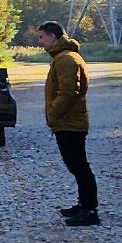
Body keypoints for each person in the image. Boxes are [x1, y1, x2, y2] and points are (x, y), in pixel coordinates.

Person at [36, 20, 97, 226]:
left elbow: (69, 92)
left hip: (70, 123)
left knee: (79, 166)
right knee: (76, 166)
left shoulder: (66, 59)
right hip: (68, 122)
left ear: (53, 37)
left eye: (42, 37)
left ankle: (90, 211)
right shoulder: (64, 57)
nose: (40, 42)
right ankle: (84, 204)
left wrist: (54, 114)